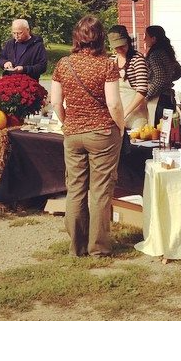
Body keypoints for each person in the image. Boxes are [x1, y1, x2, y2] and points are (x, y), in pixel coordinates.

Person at [52, 17, 124, 258]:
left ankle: (77, 246)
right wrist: (121, 127)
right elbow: (114, 104)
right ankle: (98, 248)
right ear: (101, 37)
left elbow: (55, 101)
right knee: (100, 191)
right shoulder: (107, 65)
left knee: (75, 189)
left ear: (77, 37)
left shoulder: (63, 64)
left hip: (73, 134)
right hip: (102, 133)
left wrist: (66, 122)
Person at [108, 25, 149, 130]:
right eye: (117, 47)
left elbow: (142, 90)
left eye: (122, 45)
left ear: (128, 42)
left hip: (136, 115)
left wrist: (125, 112)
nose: (120, 49)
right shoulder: (112, 60)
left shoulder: (137, 59)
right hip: (117, 113)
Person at [144, 25, 181, 125]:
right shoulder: (166, 52)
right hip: (168, 99)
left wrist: (147, 95)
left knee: (158, 133)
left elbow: (159, 79)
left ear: (153, 39)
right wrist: (168, 80)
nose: (144, 39)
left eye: (146, 36)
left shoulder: (155, 55)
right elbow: (179, 72)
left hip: (158, 101)